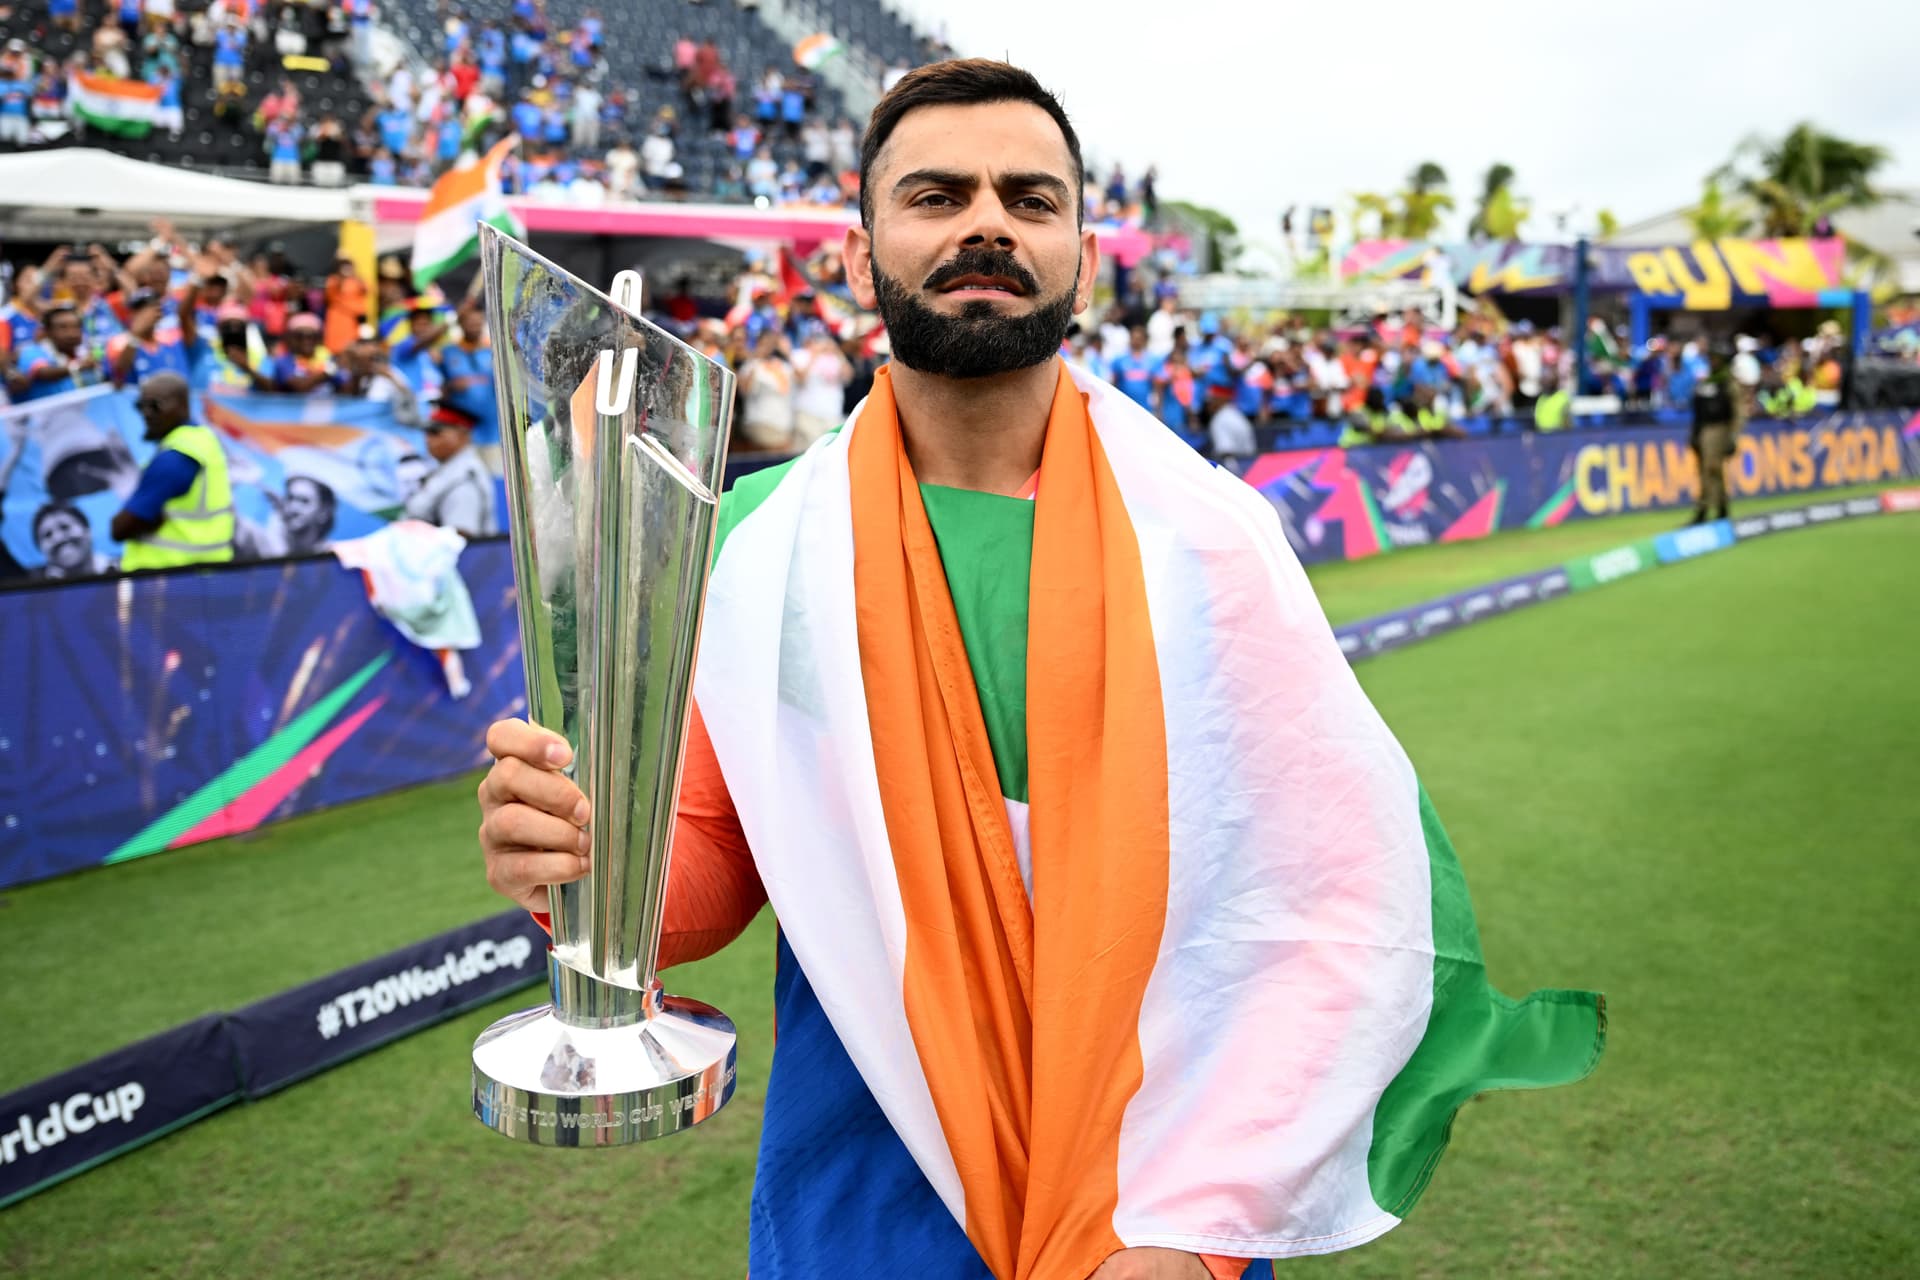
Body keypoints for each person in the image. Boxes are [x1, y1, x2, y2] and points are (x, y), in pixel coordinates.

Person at [474, 59, 1600, 1280]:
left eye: (1030, 198)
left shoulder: (1209, 541)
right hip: (865, 1215)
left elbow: (1327, 907)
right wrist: (578, 860)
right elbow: (705, 877)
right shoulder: (755, 540)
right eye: (936, 195)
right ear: (857, 255)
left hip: (1163, 1219)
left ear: (1085, 258)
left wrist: (1195, 1239)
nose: (987, 224)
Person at [110, 372, 235, 570]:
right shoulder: (202, 439)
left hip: (169, 578)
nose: (146, 413)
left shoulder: (177, 456)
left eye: (155, 405)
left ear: (183, 405)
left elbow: (120, 529)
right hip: (202, 573)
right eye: (141, 405)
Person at [403, 402, 497, 537]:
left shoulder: (464, 478)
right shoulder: (448, 470)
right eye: (426, 433)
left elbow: (460, 537)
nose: (428, 439)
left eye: (435, 432)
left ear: (462, 433)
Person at [1688, 347, 1740, 525]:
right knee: (1704, 469)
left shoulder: (1727, 382)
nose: (1712, 362)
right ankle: (1711, 507)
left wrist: (1732, 435)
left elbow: (1737, 412)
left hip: (1719, 428)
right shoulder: (1704, 382)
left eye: (1715, 359)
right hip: (1703, 428)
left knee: (1713, 468)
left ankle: (1715, 507)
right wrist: (1695, 433)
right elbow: (1697, 409)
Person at [736, 329, 795, 450]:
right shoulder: (750, 365)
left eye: (771, 344)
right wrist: (755, 359)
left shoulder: (783, 366)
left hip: (783, 424)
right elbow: (744, 389)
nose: (767, 347)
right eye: (764, 343)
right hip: (760, 422)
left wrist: (788, 353)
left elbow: (800, 380)